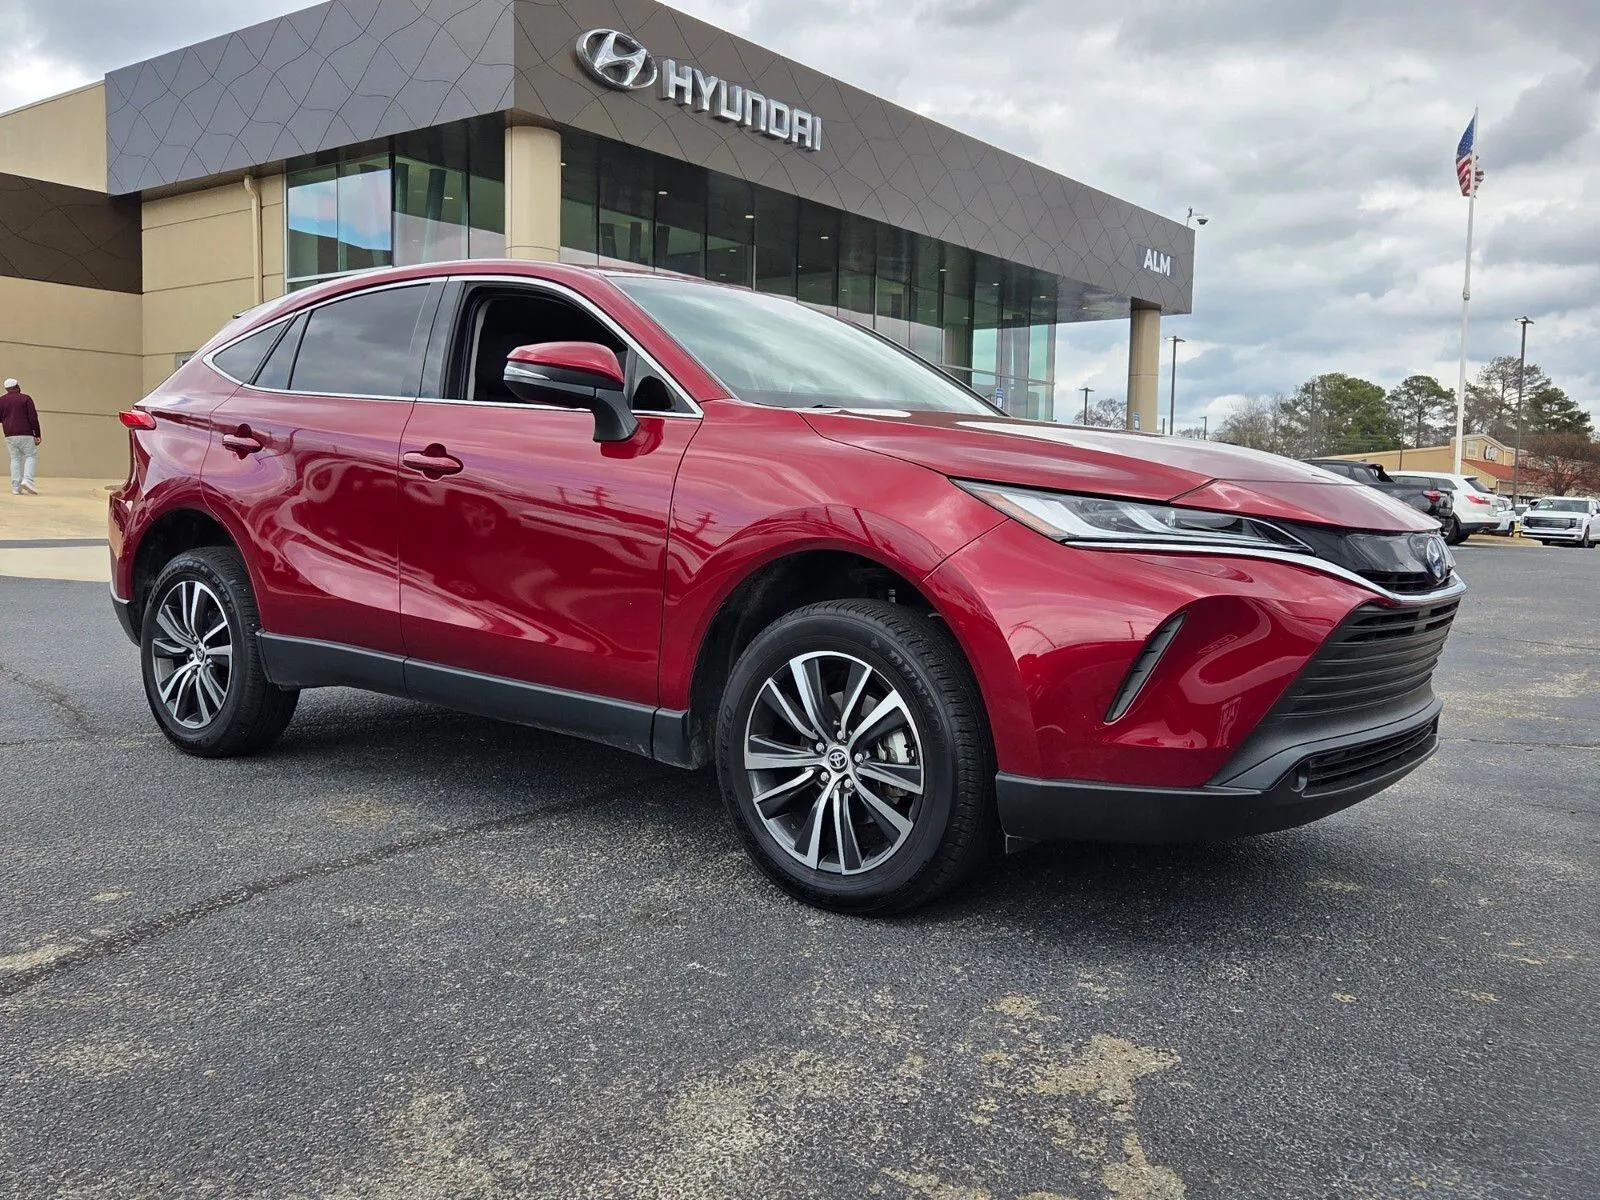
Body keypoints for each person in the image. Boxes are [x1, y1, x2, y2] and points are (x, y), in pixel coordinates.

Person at [1, 378, 42, 496]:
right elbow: (33, 417)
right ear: (17, 386)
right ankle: (27, 481)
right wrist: (37, 434)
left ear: (6, 389)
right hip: (26, 433)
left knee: (15, 459)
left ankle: (16, 488)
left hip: (9, 435)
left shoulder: (1, 400)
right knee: (30, 456)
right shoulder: (26, 398)